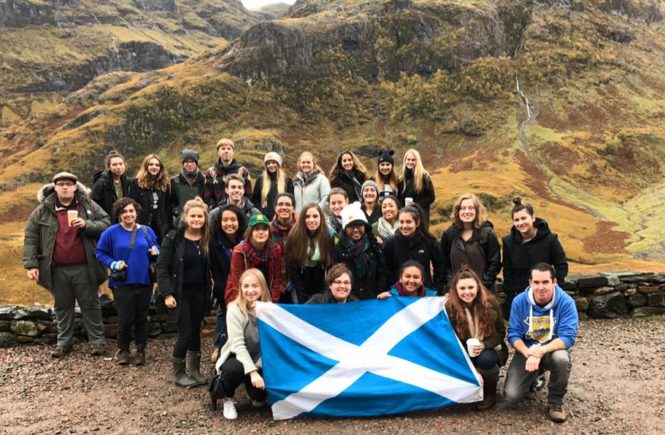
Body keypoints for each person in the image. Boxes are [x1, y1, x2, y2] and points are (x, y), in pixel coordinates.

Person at [23, 172, 109, 358]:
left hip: (86, 267)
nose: (65, 187)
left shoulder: (87, 205)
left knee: (91, 305)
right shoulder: (43, 210)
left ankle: (97, 342)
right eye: (61, 184)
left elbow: (106, 223)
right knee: (62, 307)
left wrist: (86, 224)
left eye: (69, 184)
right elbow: (31, 238)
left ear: (75, 187)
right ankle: (64, 343)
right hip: (57, 269)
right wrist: (31, 264)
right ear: (54, 187)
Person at [502, 263, 578, 423]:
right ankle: (536, 376)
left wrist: (540, 351)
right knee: (512, 396)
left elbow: (568, 337)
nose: (541, 287)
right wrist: (527, 352)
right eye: (536, 282)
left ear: (554, 282)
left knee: (562, 359)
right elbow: (513, 334)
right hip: (527, 351)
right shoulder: (519, 301)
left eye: (545, 282)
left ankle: (556, 402)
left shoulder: (566, 302)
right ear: (530, 282)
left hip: (552, 349)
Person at [95, 198, 159, 366]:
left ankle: (140, 350)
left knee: (141, 317)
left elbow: (156, 249)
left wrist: (155, 251)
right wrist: (113, 263)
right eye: (124, 212)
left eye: (131, 211)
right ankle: (123, 350)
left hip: (144, 280)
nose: (128, 214)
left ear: (136, 212)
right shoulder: (110, 232)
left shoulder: (147, 231)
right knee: (125, 318)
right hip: (122, 282)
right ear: (118, 214)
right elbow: (100, 253)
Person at [157, 198, 212, 387]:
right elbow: (162, 267)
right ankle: (179, 373)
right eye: (193, 216)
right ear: (185, 217)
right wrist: (167, 293)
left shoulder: (206, 239)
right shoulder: (173, 238)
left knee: (196, 331)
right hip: (179, 293)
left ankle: (195, 370)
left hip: (199, 292)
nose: (197, 219)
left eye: (200, 216)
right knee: (185, 332)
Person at [444, 267, 508, 410]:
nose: (467, 292)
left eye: (471, 287)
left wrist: (485, 344)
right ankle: (469, 388)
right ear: (455, 289)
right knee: (458, 361)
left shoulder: (491, 303)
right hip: (462, 348)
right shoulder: (450, 307)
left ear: (478, 287)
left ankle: (490, 393)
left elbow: (500, 332)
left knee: (486, 360)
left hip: (488, 348)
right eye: (462, 288)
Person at [215, 268, 272, 420]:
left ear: (262, 287)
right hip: (236, 358)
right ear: (240, 288)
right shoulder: (234, 309)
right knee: (234, 369)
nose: (250, 290)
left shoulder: (269, 309)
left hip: (259, 360)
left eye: (255, 286)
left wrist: (258, 367)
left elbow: (271, 344)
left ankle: (253, 393)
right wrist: (252, 372)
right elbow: (238, 345)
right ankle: (227, 398)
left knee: (260, 396)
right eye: (245, 286)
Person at [502, 197, 568, 318]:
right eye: (516, 220)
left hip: (545, 294)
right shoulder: (508, 242)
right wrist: (510, 291)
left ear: (532, 218)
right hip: (519, 295)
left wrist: (554, 287)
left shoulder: (550, 239)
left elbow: (561, 264)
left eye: (523, 218)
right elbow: (507, 269)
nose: (520, 223)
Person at [441, 193, 501, 291]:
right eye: (463, 208)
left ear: (477, 211)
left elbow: (495, 263)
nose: (467, 211)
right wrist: (449, 283)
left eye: (471, 208)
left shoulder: (488, 234)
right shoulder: (449, 234)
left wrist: (484, 283)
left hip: (484, 290)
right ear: (458, 211)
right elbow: (444, 263)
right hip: (456, 289)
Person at [209, 204, 246, 361]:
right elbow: (215, 271)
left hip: (246, 286)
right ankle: (220, 345)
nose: (229, 223)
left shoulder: (246, 240)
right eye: (225, 220)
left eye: (233, 219)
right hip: (224, 287)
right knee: (223, 315)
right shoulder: (214, 242)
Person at [382, 205, 445, 293]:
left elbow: (440, 265)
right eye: (401, 222)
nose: (404, 226)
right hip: (397, 294)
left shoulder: (428, 241)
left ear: (417, 223)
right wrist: (388, 290)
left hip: (424, 293)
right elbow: (385, 270)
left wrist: (436, 288)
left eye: (408, 222)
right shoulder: (390, 243)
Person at [333, 202, 386, 300]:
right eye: (351, 226)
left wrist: (380, 292)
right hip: (348, 301)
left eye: (359, 225)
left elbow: (382, 271)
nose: (356, 230)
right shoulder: (337, 249)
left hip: (373, 299)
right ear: (345, 228)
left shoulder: (375, 245)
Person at [225, 214, 282, 304]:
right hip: (243, 296)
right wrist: (243, 305)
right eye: (256, 229)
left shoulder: (275, 250)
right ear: (250, 231)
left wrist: (272, 303)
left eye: (264, 229)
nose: (261, 232)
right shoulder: (239, 251)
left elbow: (276, 279)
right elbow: (236, 282)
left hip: (266, 297)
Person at [284, 203, 333, 303]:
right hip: (298, 278)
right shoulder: (294, 236)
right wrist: (302, 297)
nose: (311, 220)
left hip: (318, 278)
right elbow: (292, 267)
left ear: (321, 218)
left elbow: (329, 265)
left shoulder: (328, 235)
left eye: (315, 216)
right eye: (307, 216)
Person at [128, 154, 172, 243]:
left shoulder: (165, 184)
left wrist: (167, 225)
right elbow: (132, 204)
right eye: (151, 164)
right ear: (146, 166)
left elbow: (168, 207)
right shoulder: (135, 183)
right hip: (142, 225)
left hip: (161, 227)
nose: (154, 167)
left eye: (157, 165)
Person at [205, 138, 252, 208]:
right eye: (223, 149)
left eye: (229, 148)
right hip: (218, 211)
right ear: (218, 152)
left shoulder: (243, 171)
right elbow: (207, 196)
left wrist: (242, 208)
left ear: (233, 152)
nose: (226, 151)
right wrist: (215, 208)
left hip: (239, 210)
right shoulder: (211, 172)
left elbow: (248, 195)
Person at [252, 152, 294, 220]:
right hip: (264, 218)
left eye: (273, 162)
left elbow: (291, 200)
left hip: (281, 218)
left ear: (278, 164)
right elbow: (255, 200)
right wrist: (261, 212)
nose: (271, 165)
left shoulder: (287, 180)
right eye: (268, 163)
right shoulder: (260, 179)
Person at [91, 150, 130, 220]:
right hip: (107, 220)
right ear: (109, 167)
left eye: (121, 164)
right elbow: (93, 203)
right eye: (114, 164)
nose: (118, 167)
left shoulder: (125, 181)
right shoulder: (102, 182)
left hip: (123, 218)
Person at [170, 149, 205, 224]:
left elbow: (207, 201)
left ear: (196, 163)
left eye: (192, 161)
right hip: (181, 220)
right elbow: (171, 202)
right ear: (183, 163)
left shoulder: (204, 180)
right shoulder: (174, 181)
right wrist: (178, 213)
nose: (189, 164)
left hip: (199, 220)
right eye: (186, 162)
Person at [397, 148, 435, 215]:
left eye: (413, 160)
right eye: (408, 159)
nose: (410, 162)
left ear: (417, 161)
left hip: (421, 215)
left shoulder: (424, 177)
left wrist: (416, 205)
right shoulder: (401, 180)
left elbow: (431, 197)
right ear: (405, 161)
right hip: (405, 215)